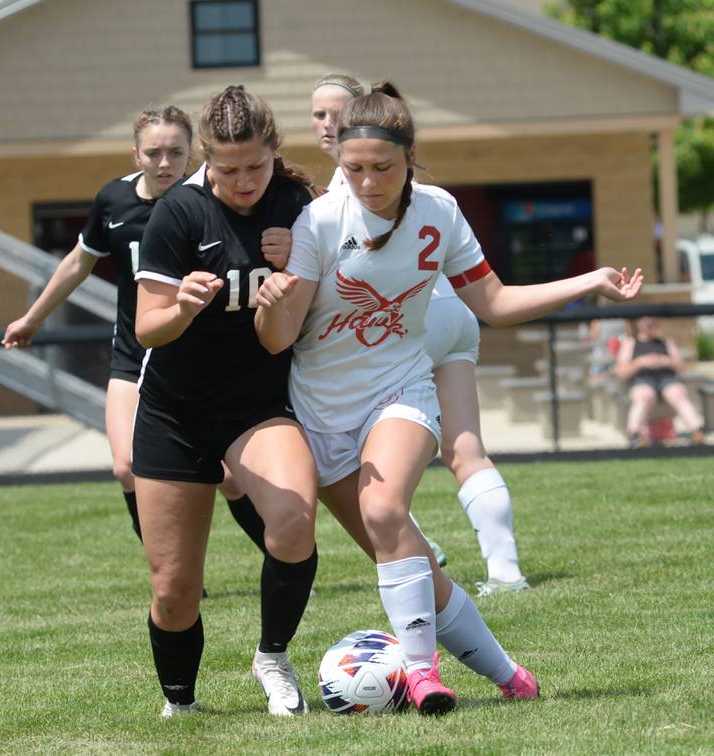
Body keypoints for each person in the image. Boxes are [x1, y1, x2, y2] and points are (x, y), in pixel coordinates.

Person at [256, 81, 643, 715]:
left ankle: (421, 672)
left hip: (400, 390)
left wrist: (589, 282)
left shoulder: (438, 211)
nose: (368, 181)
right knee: (413, 566)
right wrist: (273, 303)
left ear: (410, 158)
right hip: (319, 414)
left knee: (384, 511)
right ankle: (510, 675)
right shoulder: (319, 220)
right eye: (354, 169)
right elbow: (277, 342)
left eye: (383, 167)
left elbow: (492, 302)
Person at [1, 106, 273, 556]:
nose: (165, 162)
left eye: (175, 152)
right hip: (134, 354)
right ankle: (168, 572)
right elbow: (76, 262)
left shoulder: (210, 200)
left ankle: (279, 554)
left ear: (194, 154)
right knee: (126, 467)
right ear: (136, 155)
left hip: (198, 362)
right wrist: (32, 318)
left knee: (226, 478)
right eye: (154, 153)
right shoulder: (114, 202)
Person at [132, 85, 319, 718]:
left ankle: (272, 655)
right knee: (175, 590)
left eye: (256, 167)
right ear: (206, 159)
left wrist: (294, 273)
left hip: (257, 405)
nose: (243, 181)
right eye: (227, 169)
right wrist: (181, 308)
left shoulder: (298, 205)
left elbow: (320, 302)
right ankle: (180, 705)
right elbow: (147, 328)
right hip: (174, 412)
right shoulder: (179, 215)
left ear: (275, 153)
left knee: (293, 523)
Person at [311, 73, 525, 594]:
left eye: (334, 113)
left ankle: (415, 548)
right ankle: (506, 570)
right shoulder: (425, 194)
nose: (327, 123)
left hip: (409, 320)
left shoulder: (345, 192)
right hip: (455, 311)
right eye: (317, 115)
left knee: (365, 454)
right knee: (466, 448)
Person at [616, 315, 705, 447]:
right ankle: (635, 434)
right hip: (642, 379)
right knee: (644, 394)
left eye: (653, 320)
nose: (651, 323)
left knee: (677, 393)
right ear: (639, 323)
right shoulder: (631, 343)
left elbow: (681, 367)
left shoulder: (666, 342)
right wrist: (641, 362)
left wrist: (665, 361)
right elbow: (621, 372)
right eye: (647, 321)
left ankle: (697, 430)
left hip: (666, 378)